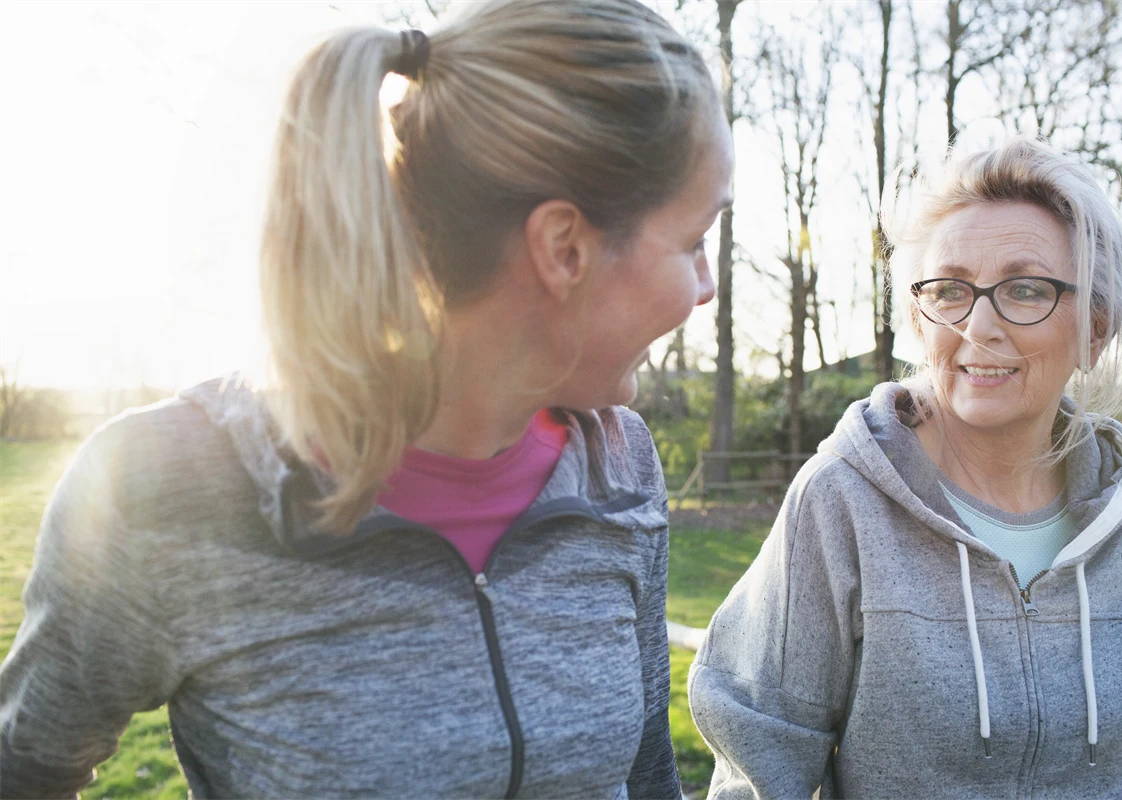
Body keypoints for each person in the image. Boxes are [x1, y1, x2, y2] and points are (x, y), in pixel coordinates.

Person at [0, 1, 733, 797]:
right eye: (694, 240)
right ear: (564, 249)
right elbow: (24, 766)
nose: (706, 287)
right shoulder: (156, 486)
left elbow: (647, 777)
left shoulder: (622, 471)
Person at [688, 137, 1122, 799]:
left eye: (1026, 289)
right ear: (920, 320)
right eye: (950, 291)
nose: (978, 326)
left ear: (1094, 331)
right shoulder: (840, 500)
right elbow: (757, 763)